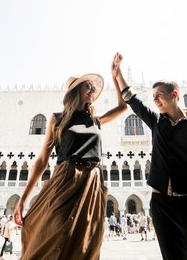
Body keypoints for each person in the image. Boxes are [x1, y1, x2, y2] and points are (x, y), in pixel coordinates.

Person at [114, 53, 187, 260]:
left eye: (159, 95)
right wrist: (118, 74)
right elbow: (132, 100)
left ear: (174, 94)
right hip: (163, 207)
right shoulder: (157, 123)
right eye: (153, 97)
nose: (155, 99)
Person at [13, 53, 127, 260]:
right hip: (66, 177)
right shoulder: (57, 120)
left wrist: (116, 76)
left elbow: (123, 107)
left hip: (92, 181)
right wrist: (23, 198)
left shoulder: (96, 120)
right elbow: (42, 159)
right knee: (52, 229)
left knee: (85, 242)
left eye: (93, 87)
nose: (92, 90)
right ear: (76, 91)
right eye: (88, 86)